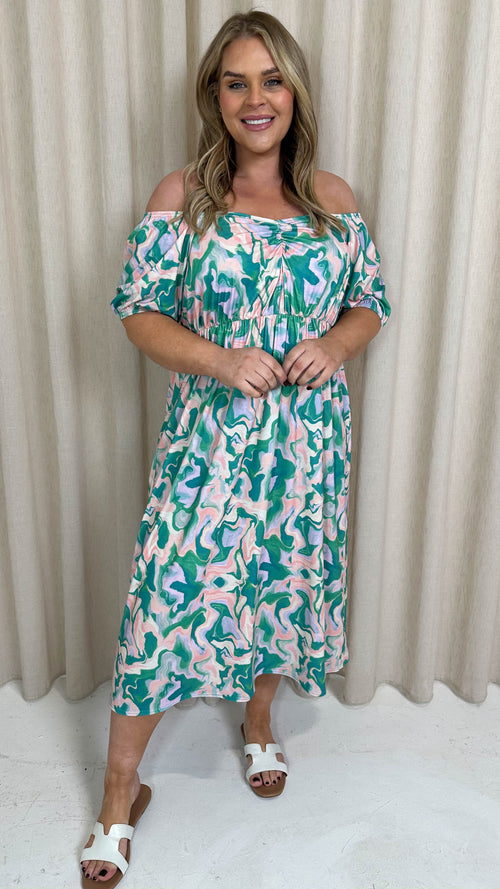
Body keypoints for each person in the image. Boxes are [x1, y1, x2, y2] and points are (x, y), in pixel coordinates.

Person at [80, 9, 390, 885]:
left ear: (295, 92)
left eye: (272, 79)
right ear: (213, 97)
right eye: (236, 82)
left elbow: (370, 303)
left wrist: (335, 344)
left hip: (307, 447)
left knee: (279, 585)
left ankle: (258, 722)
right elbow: (139, 313)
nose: (257, 99)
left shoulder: (334, 201)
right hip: (210, 446)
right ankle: (119, 793)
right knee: (160, 604)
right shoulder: (182, 197)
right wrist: (220, 359)